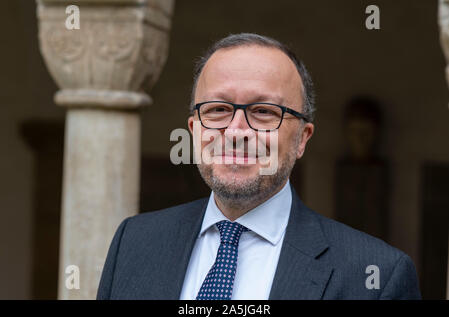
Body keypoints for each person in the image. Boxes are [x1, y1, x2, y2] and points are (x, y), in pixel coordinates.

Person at [96, 33, 421, 300]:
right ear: (194, 130)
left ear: (302, 139)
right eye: (218, 109)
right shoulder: (133, 243)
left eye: (264, 111)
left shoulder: (376, 276)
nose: (236, 131)